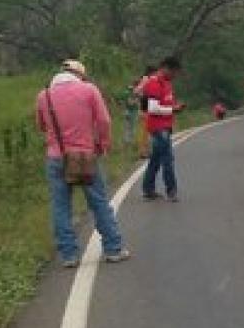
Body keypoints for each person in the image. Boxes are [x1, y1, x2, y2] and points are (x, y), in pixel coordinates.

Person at [35, 59, 130, 268]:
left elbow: (41, 125)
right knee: (98, 202)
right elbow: (104, 121)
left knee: (60, 206)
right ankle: (113, 249)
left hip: (56, 157)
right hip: (86, 155)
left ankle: (69, 255)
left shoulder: (44, 95)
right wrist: (102, 144)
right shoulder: (89, 90)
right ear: (80, 75)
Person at [141, 55, 186, 202]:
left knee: (156, 159)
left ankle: (148, 189)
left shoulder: (167, 83)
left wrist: (174, 108)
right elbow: (152, 108)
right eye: (174, 72)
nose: (175, 76)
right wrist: (173, 110)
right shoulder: (154, 83)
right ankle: (171, 190)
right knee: (167, 159)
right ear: (166, 68)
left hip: (165, 126)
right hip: (158, 127)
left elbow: (165, 103)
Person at [133, 64, 155, 158]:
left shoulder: (148, 79)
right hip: (145, 109)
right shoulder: (146, 79)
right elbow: (136, 91)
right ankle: (143, 152)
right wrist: (143, 94)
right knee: (146, 133)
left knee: (148, 132)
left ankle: (147, 151)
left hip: (147, 109)